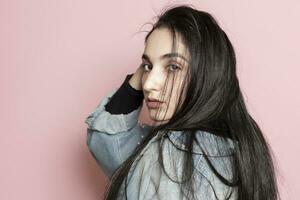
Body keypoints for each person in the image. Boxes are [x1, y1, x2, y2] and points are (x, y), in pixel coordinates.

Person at [85, 4, 280, 200]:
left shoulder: (178, 155)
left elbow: (109, 143)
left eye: (173, 67)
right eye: (148, 67)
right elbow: (107, 142)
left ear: (207, 73)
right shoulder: (239, 146)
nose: (150, 83)